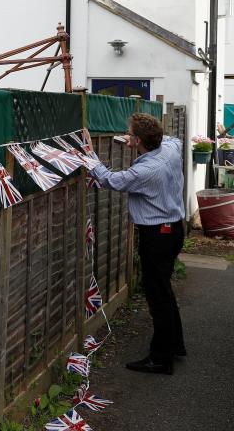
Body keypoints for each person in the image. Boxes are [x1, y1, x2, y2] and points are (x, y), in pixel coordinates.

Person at [86, 113, 185, 375]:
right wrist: (130, 141)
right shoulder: (171, 148)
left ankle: (161, 359)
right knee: (164, 290)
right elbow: (173, 139)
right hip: (174, 230)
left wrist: (89, 154)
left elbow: (110, 180)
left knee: (157, 296)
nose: (127, 135)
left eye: (130, 133)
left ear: (139, 139)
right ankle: (175, 345)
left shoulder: (146, 170)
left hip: (157, 236)